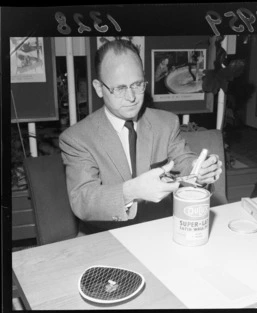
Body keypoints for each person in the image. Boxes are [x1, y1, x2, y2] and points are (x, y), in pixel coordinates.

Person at [59, 39, 222, 234]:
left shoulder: (166, 122)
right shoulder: (77, 138)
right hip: (107, 236)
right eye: (119, 88)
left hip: (159, 230)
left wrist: (199, 170)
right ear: (98, 88)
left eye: (137, 85)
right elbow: (83, 200)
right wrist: (132, 191)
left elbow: (182, 160)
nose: (132, 97)